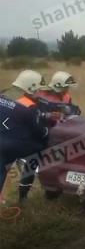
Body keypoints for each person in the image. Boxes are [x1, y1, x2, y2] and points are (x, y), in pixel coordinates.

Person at [0, 70, 52, 202]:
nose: (39, 93)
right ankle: (24, 189)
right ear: (30, 88)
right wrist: (47, 131)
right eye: (38, 90)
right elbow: (37, 131)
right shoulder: (29, 106)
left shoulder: (3, 94)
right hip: (15, 144)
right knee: (40, 147)